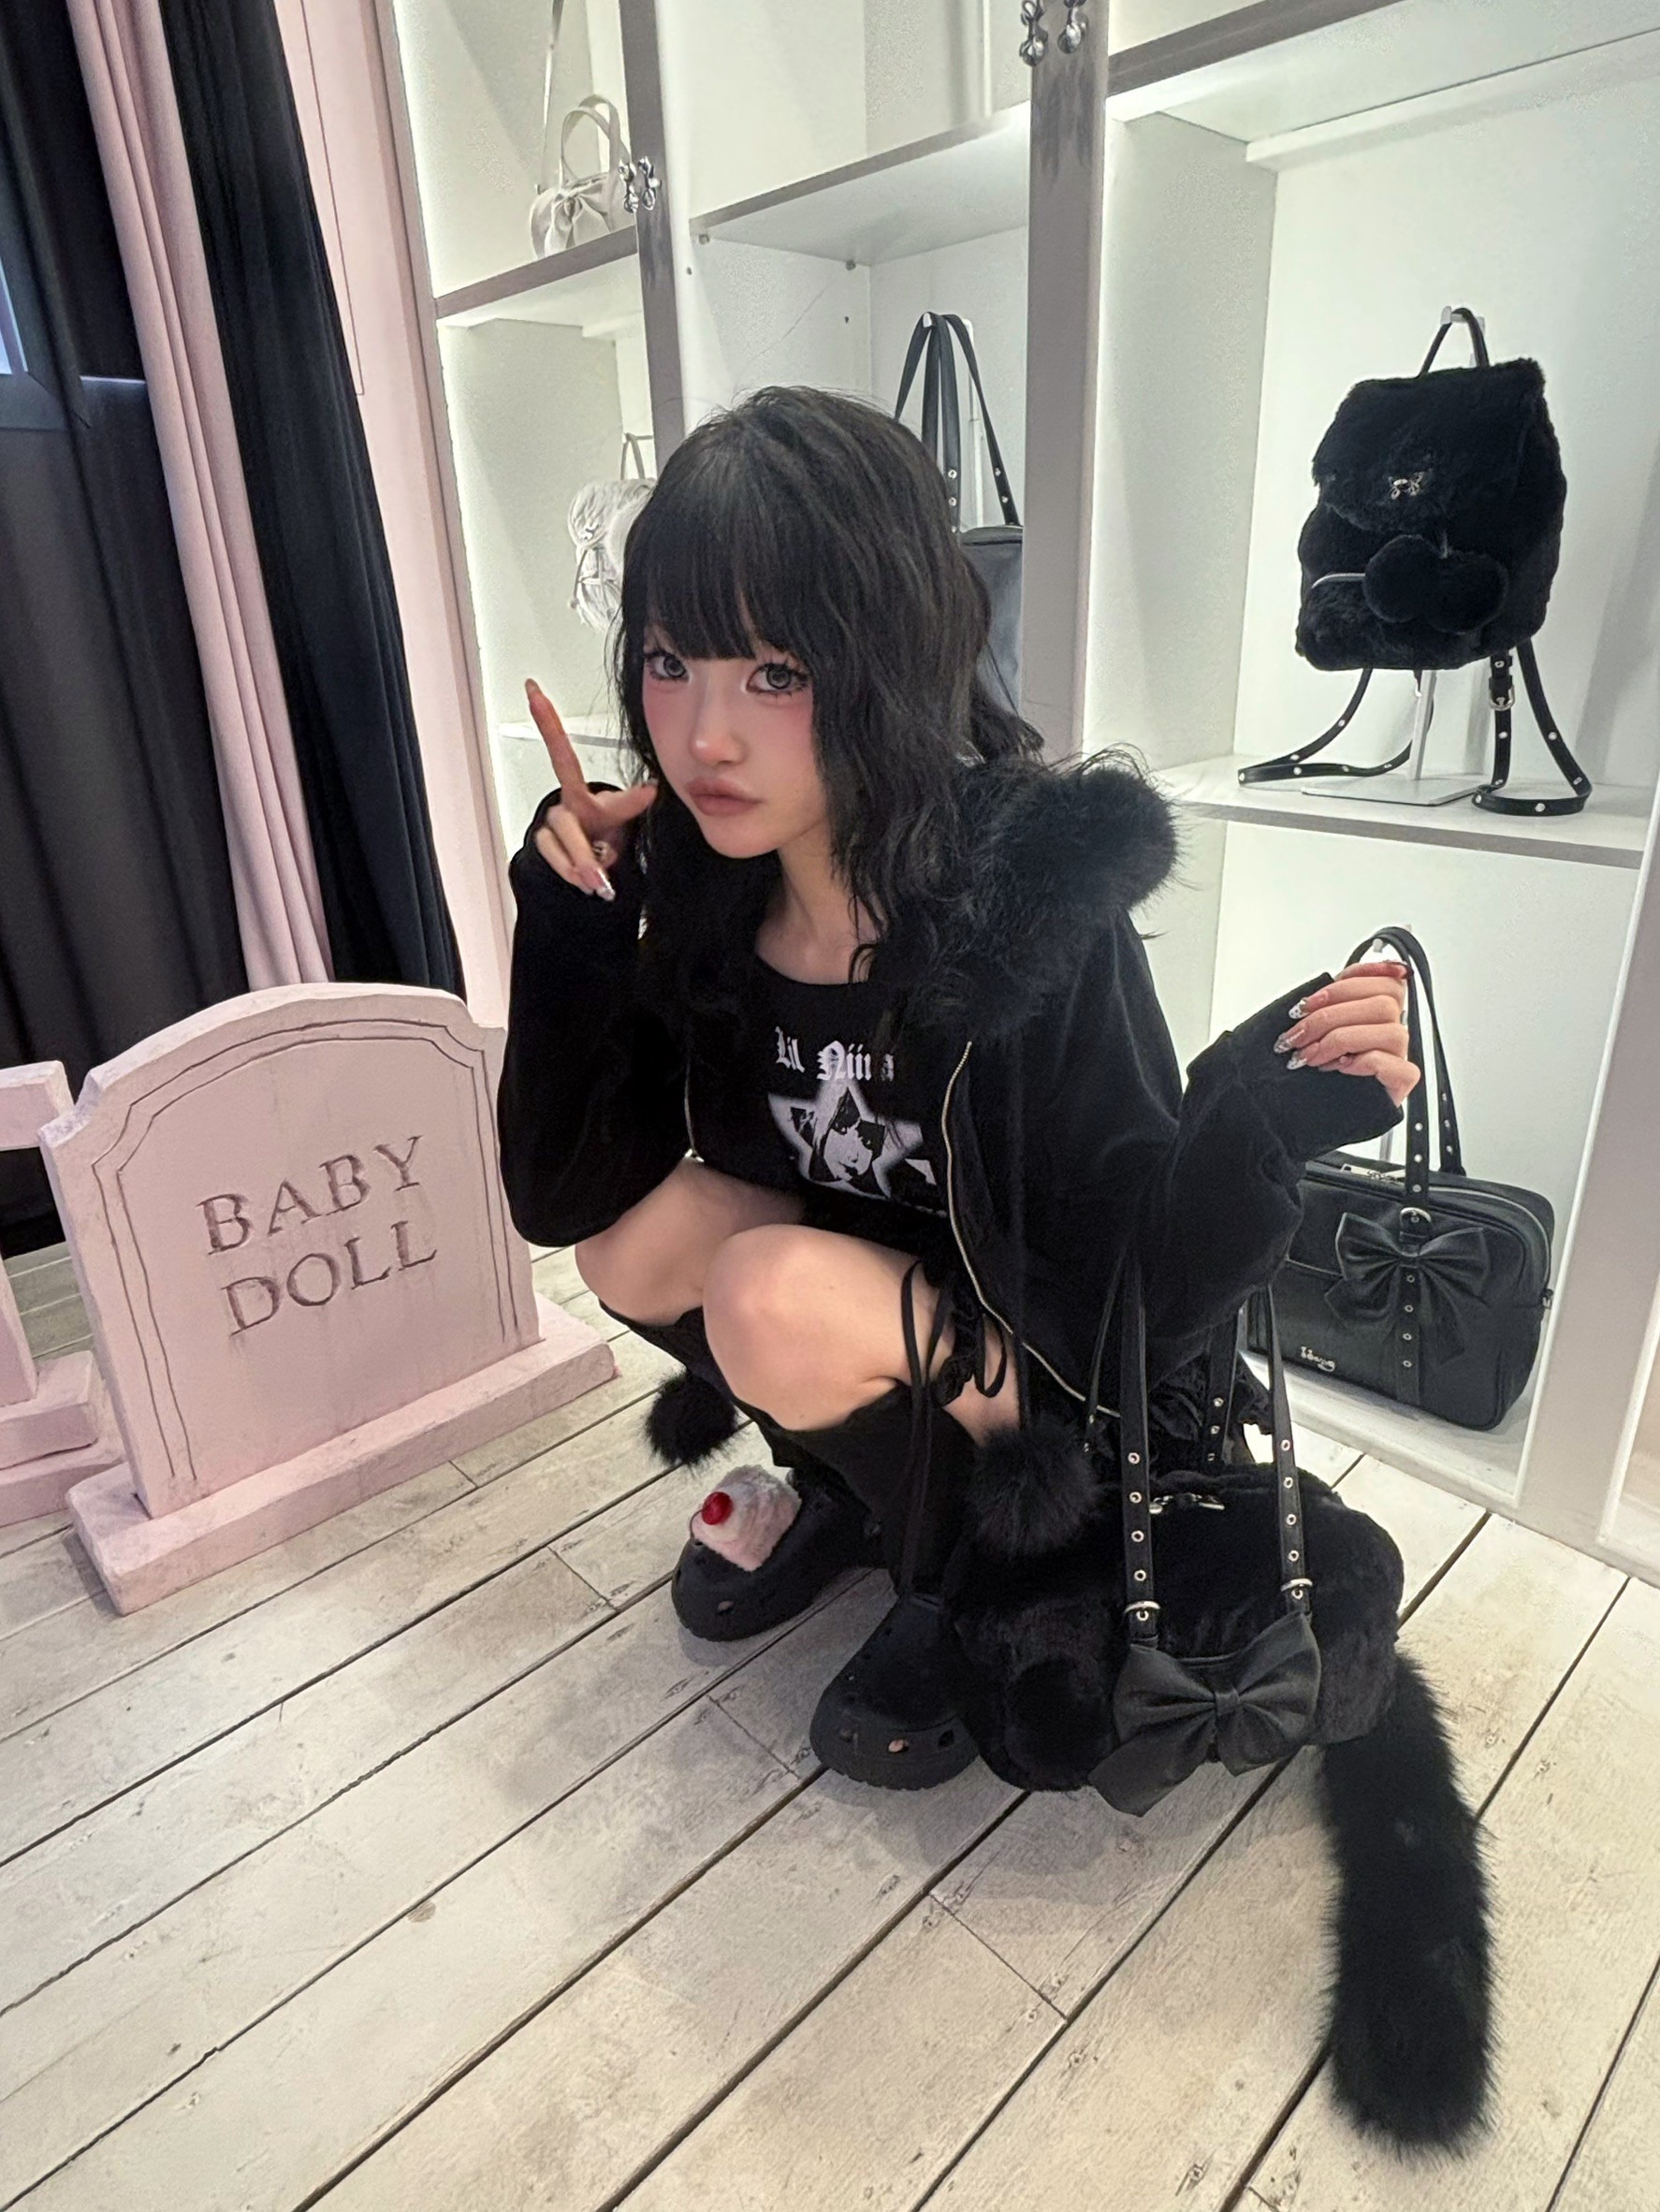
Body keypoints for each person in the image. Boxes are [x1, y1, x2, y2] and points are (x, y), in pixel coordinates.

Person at [498, 386, 1417, 1792]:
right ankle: (853, 1488)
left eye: (775, 673)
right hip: (870, 1300)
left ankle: (972, 1568)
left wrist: (1267, 1106)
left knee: (764, 1293)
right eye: (673, 662)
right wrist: (574, 916)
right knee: (637, 1245)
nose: (705, 737)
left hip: (1046, 1354)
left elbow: (1143, 1261)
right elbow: (563, 1195)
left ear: (890, 658)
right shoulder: (709, 886)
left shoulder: (1020, 897)